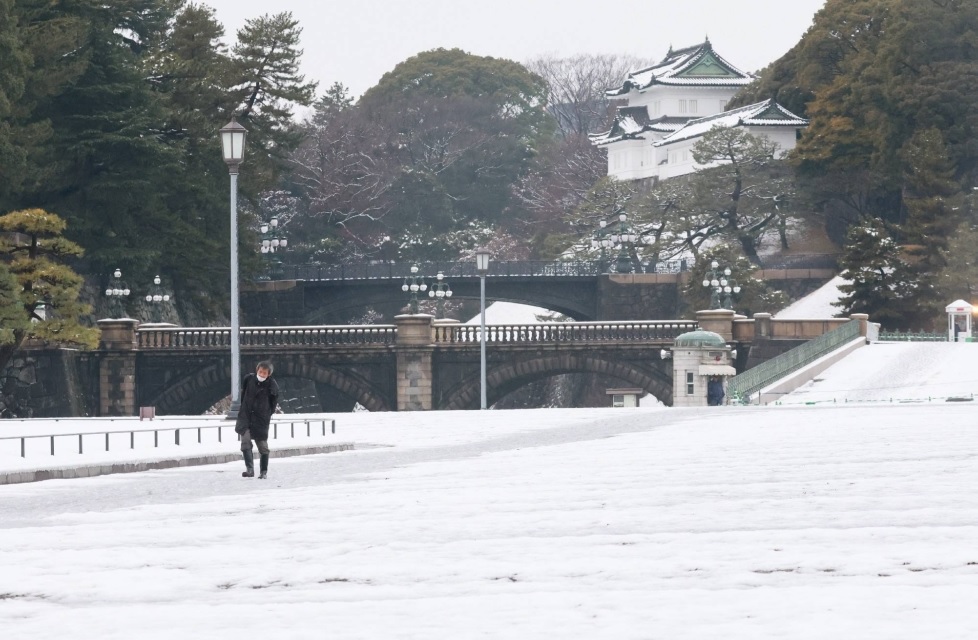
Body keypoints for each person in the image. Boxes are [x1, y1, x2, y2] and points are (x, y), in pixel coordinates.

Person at [235, 361, 279, 479]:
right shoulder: (249, 379)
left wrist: (265, 413)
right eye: (260, 372)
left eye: (264, 373)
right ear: (257, 370)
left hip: (261, 419)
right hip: (246, 417)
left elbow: (273, 403)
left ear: (269, 374)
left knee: (262, 446)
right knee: (245, 442)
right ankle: (249, 469)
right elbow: (244, 395)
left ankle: (263, 471)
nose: (262, 374)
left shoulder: (272, 385)